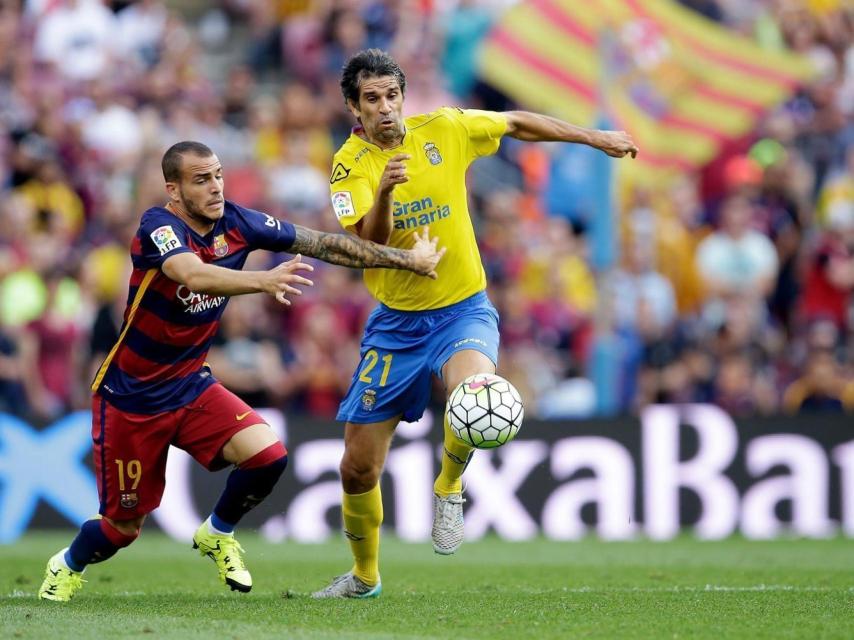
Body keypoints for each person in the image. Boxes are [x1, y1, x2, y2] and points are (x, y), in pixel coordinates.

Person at [38, 140, 444, 602]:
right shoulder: (158, 226)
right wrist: (262, 281)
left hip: (189, 385)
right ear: (174, 190)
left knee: (268, 456)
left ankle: (217, 532)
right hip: (131, 397)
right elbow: (192, 274)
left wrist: (407, 260)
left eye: (217, 175)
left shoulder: (238, 222)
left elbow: (324, 244)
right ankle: (66, 565)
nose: (215, 187)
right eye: (201, 180)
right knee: (121, 529)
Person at [313, 49, 638, 599]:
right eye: (372, 98)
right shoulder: (350, 165)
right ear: (353, 106)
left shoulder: (445, 128)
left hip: (462, 309)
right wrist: (386, 189)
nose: (385, 107)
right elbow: (368, 243)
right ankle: (364, 577)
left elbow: (515, 123)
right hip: (396, 325)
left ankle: (449, 484)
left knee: (474, 395)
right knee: (357, 469)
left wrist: (594, 137)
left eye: (392, 95)